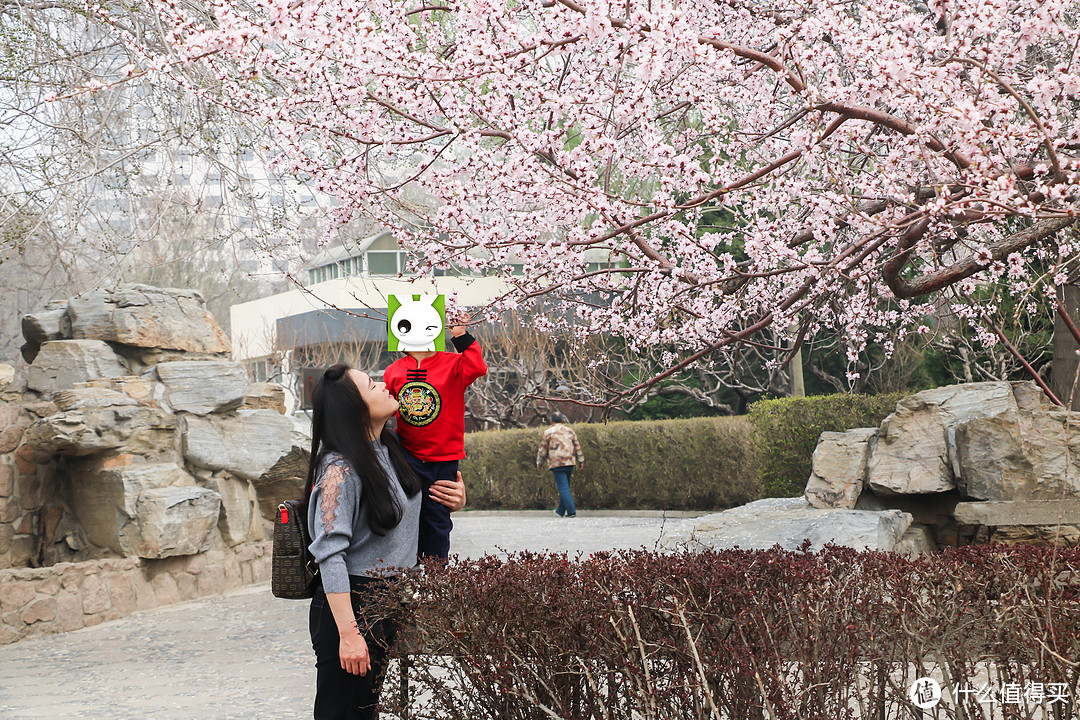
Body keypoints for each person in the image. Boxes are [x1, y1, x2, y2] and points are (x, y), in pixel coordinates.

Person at [305, 363, 465, 720]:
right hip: (354, 605)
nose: (382, 385)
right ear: (352, 406)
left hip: (389, 600)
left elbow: (417, 509)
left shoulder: (391, 450)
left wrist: (455, 498)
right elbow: (329, 554)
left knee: (366, 711)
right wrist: (349, 634)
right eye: (369, 384)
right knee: (343, 713)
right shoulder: (340, 470)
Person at [383, 314, 486, 560]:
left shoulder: (453, 363)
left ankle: (436, 575)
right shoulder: (393, 371)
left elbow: (477, 367)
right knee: (405, 514)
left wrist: (460, 335)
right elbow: (384, 407)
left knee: (437, 516)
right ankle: (406, 568)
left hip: (444, 456)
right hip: (406, 454)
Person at [536, 411, 585, 518]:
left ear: (551, 421)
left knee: (563, 487)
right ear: (563, 420)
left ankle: (571, 511)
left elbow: (542, 449)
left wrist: (539, 462)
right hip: (570, 461)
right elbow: (577, 446)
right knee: (565, 486)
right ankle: (560, 511)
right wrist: (581, 460)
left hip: (557, 463)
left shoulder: (548, 432)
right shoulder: (570, 431)